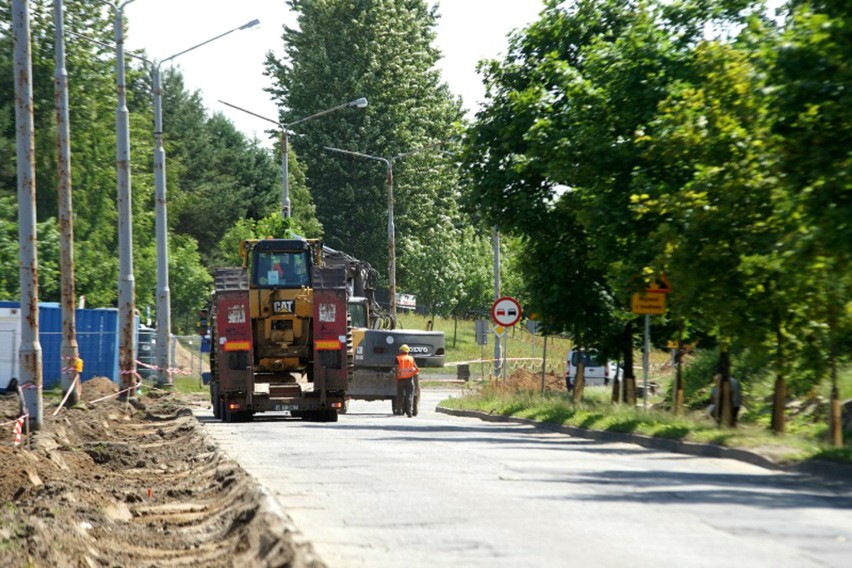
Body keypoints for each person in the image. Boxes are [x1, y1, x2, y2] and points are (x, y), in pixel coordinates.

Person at [393, 344, 419, 417]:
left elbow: (396, 368)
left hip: (401, 380)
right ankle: (409, 411)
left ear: (402, 351)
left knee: (400, 396)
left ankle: (399, 410)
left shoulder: (398, 358)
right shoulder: (411, 358)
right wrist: (412, 374)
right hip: (409, 380)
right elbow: (417, 368)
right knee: (409, 396)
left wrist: (396, 377)